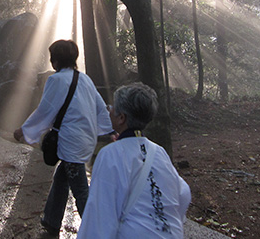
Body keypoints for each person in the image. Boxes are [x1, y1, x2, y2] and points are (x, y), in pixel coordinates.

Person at [13, 39, 113, 236]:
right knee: (62, 178)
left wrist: (24, 130)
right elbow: (100, 107)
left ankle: (98, 231)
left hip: (71, 143)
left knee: (81, 190)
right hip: (85, 140)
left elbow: (45, 110)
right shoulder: (84, 79)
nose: (51, 62)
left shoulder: (56, 80)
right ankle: (51, 221)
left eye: (52, 58)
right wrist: (109, 130)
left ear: (56, 60)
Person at [76, 83, 191, 239]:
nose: (109, 111)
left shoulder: (109, 155)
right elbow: (183, 193)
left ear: (122, 118)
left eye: (112, 108)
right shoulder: (159, 151)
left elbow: (100, 216)